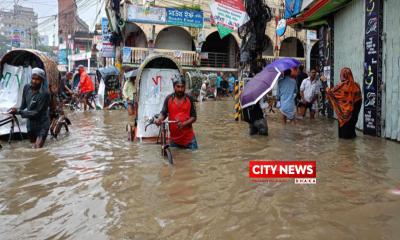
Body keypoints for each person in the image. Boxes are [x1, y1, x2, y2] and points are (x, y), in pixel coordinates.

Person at [8, 68, 50, 148]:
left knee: (37, 148)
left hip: (42, 123)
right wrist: (16, 109)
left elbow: (36, 112)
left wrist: (19, 112)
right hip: (31, 124)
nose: (34, 81)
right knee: (31, 144)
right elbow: (23, 105)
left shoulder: (45, 93)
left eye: (37, 79)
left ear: (42, 80)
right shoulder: (26, 88)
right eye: (33, 78)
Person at [155, 75, 198, 150]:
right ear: (174, 87)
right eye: (178, 87)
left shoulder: (189, 99)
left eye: (182, 87)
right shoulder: (168, 99)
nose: (180, 89)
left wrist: (184, 124)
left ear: (185, 87)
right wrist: (159, 119)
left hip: (189, 140)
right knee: (176, 160)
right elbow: (163, 113)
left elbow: (194, 117)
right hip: (174, 140)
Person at [327, 67, 362, 139]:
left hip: (343, 117)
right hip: (353, 117)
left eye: (341, 75)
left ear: (342, 75)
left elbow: (330, 93)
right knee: (351, 136)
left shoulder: (341, 86)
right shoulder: (357, 86)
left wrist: (324, 82)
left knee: (344, 140)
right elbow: (359, 101)